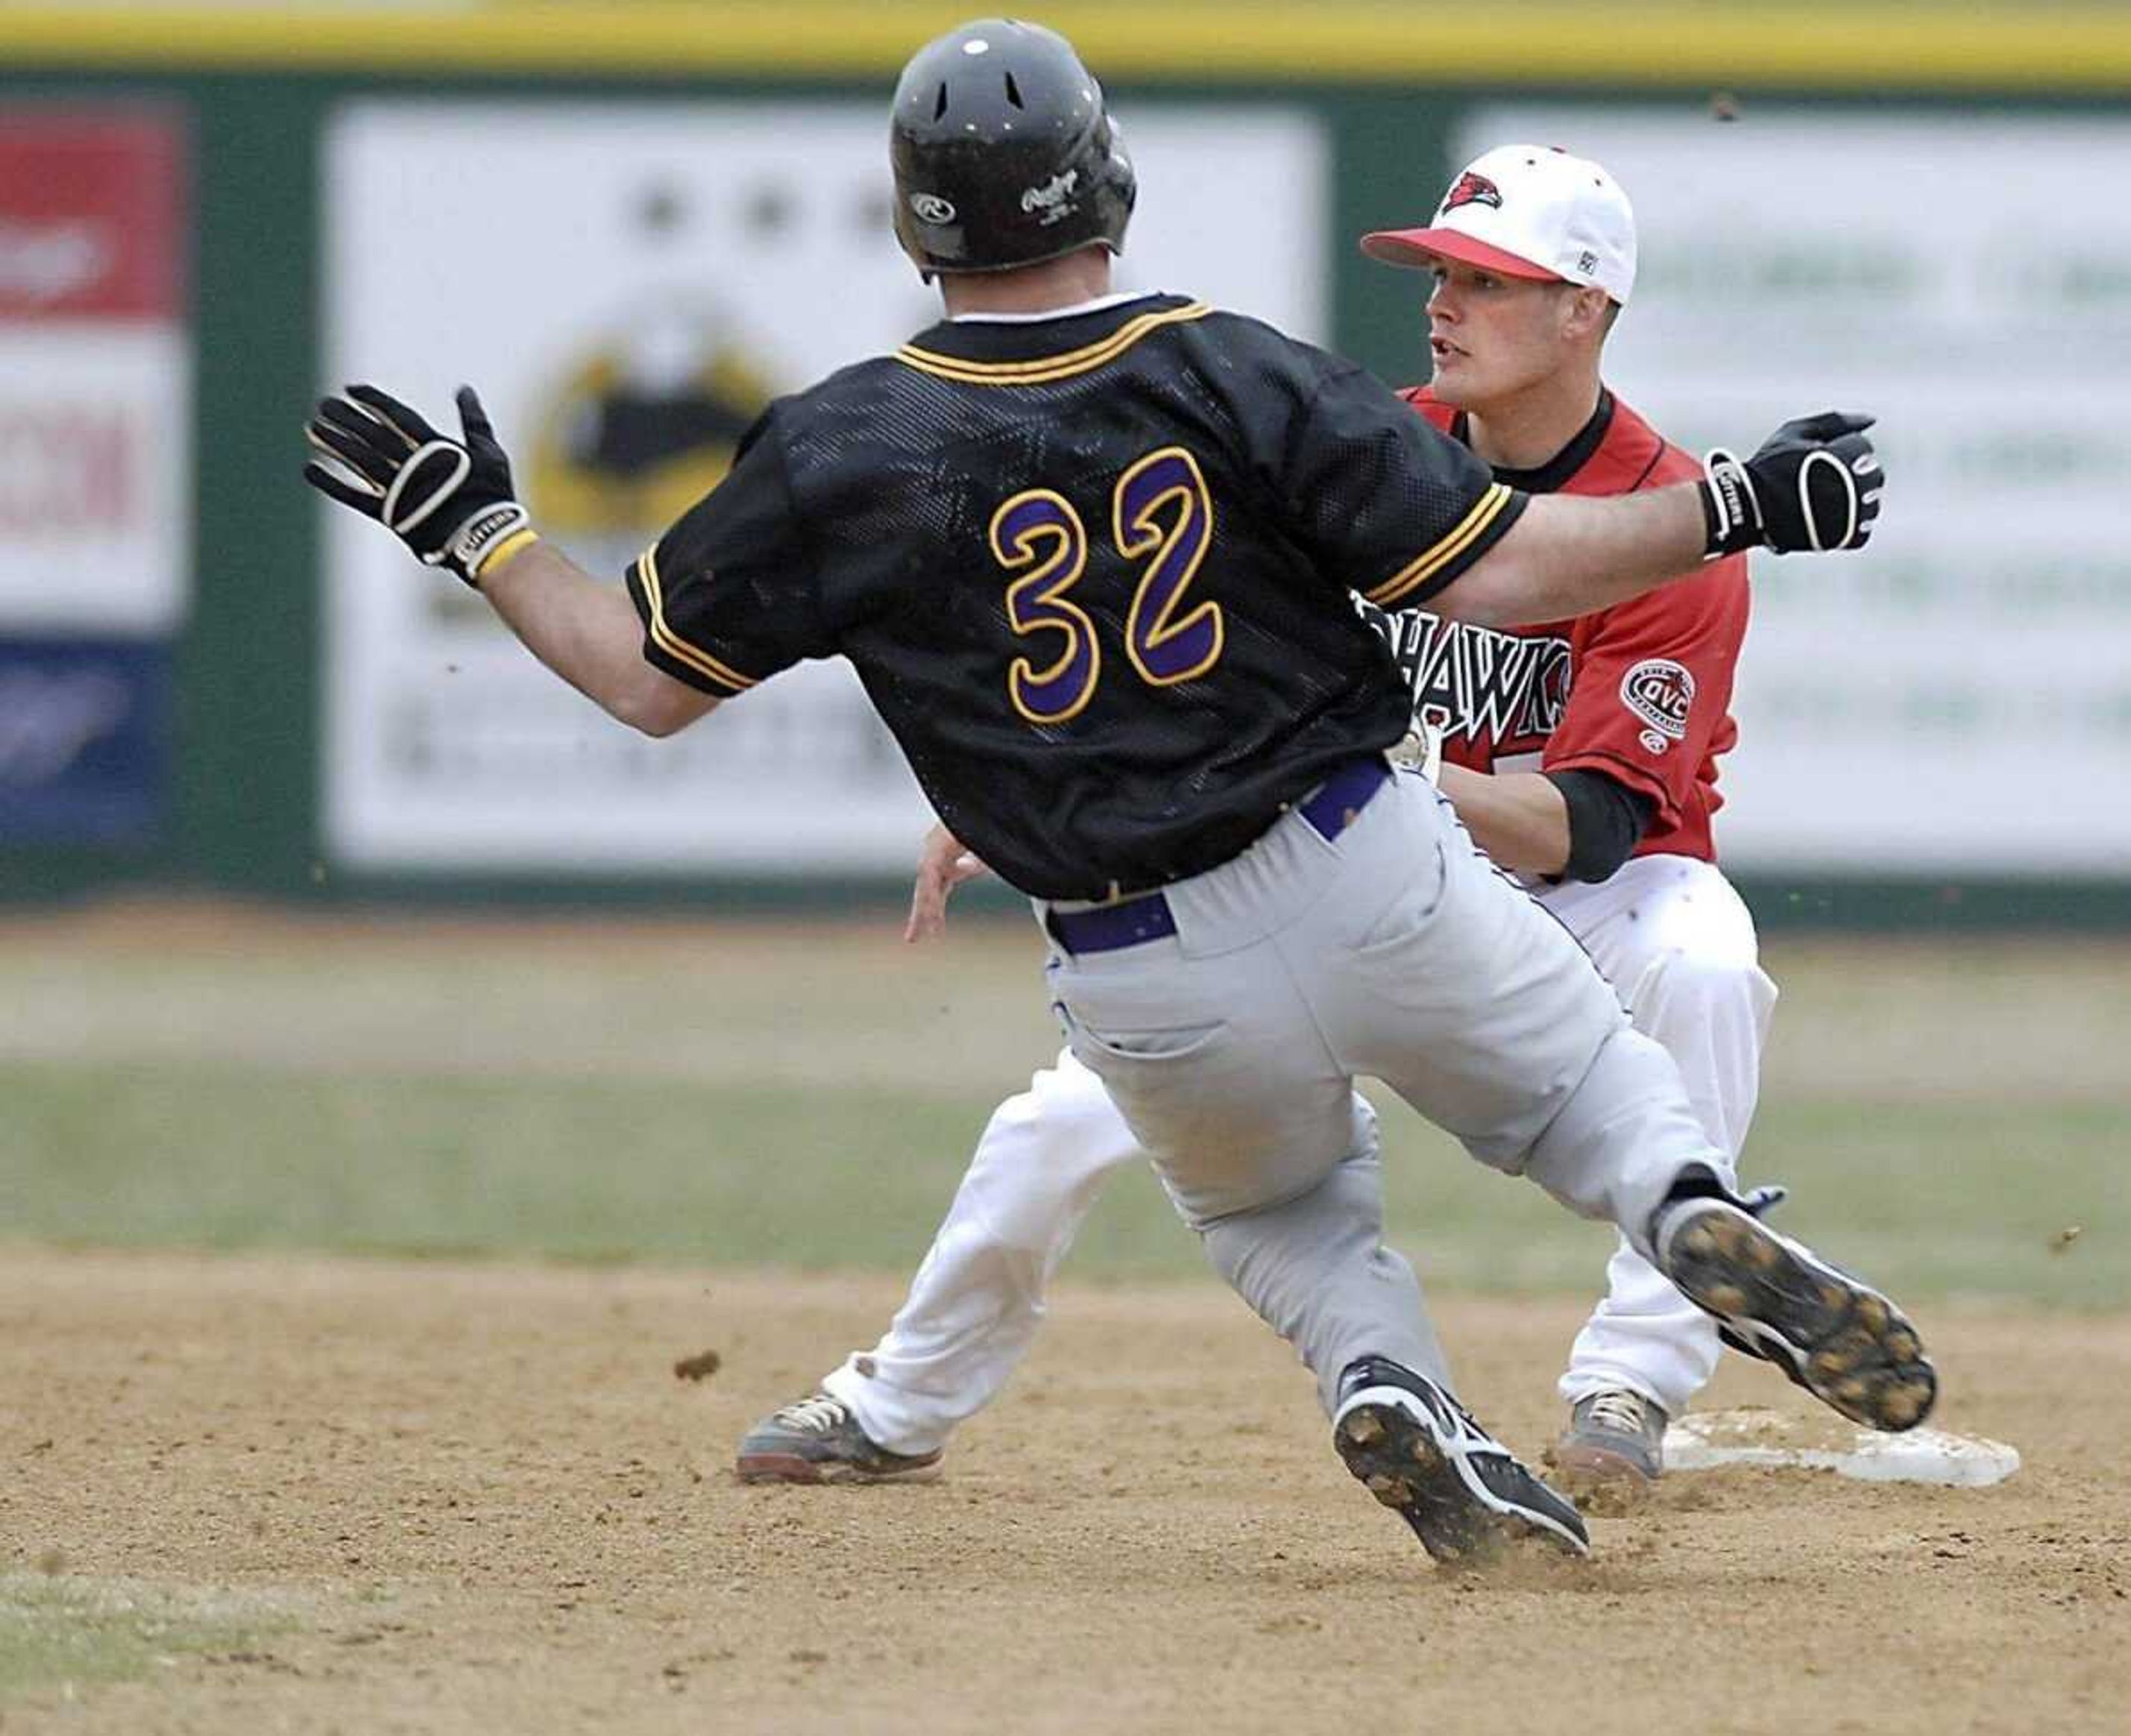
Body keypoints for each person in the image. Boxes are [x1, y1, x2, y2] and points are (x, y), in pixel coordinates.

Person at [303, 21, 1931, 1567]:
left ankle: (1384, 1378)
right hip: (1359, 857)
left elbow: (638, 681)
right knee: (1589, 1102)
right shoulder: (1227, 372)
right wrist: (1732, 501)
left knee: (1288, 1212)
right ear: (1109, 186)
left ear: (914, 224)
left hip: (1132, 955)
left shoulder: (839, 446)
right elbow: (1505, 572)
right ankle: (1683, 1206)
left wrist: (482, 537)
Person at [736, 143, 1776, 1504]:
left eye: (1489, 278)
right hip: (1326, 875)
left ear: (1585, 309)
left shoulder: (1659, 522)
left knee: (1702, 953)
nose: (1443, 301)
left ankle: (1628, 1379)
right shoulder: (1358, 445)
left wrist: (1389, 775)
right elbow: (1161, 670)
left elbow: (1582, 831)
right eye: (1438, 272)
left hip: (1566, 895)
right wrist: (1023, 800)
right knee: (1060, 1119)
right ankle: (895, 1402)